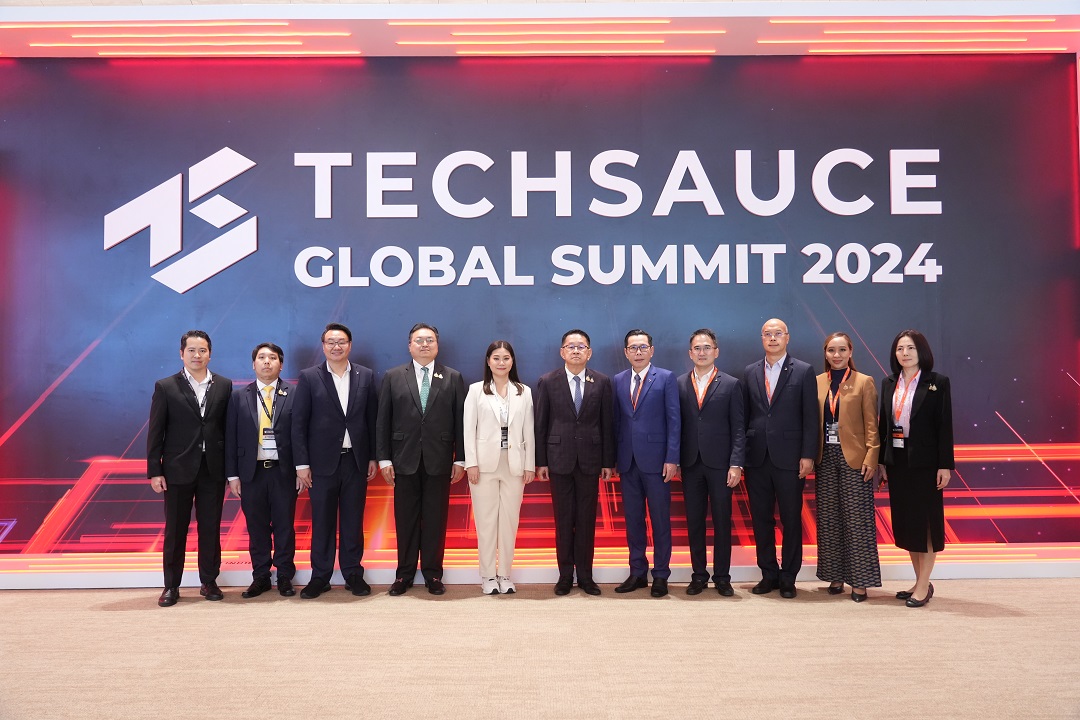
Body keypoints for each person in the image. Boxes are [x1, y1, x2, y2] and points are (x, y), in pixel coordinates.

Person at [377, 323, 466, 596]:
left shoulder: (453, 377)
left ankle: (433, 574)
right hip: (403, 460)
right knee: (405, 520)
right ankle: (403, 575)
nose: (424, 344)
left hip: (440, 460)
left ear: (437, 345)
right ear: (409, 346)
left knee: (435, 521)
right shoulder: (393, 376)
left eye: (429, 340)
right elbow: (383, 420)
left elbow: (461, 422)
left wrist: (461, 459)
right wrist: (383, 459)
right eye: (419, 340)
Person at [291, 323, 378, 599]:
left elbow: (372, 419)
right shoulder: (309, 377)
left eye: (341, 342)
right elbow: (298, 423)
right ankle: (320, 576)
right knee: (322, 522)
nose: (336, 346)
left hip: (356, 461)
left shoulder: (365, 375)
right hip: (321, 464)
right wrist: (302, 464)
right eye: (331, 342)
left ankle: (353, 574)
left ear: (350, 345)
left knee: (353, 521)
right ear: (323, 346)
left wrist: (373, 456)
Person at [147, 330, 232, 607]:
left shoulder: (223, 385)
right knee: (175, 530)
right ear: (181, 353)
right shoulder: (166, 386)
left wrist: (231, 469)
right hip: (177, 469)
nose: (197, 355)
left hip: (213, 469)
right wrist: (155, 470)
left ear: (210, 354)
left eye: (203, 350)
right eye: (192, 350)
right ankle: (171, 585)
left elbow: (228, 430)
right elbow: (156, 431)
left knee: (210, 528)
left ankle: (209, 581)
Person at [534, 329, 615, 596]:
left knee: (586, 520)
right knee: (563, 520)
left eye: (581, 346)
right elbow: (541, 423)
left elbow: (607, 423)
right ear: (562, 352)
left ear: (589, 352)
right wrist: (541, 461)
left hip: (591, 460)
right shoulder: (548, 381)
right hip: (558, 460)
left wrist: (607, 461)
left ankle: (586, 576)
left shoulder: (602, 381)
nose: (576, 350)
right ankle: (565, 576)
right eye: (571, 346)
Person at [877, 330, 954, 608]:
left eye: (910, 348)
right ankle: (919, 580)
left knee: (927, 524)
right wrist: (882, 461)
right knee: (909, 524)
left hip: (926, 463)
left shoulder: (937, 382)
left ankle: (923, 586)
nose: (905, 353)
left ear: (921, 351)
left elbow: (944, 426)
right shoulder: (888, 383)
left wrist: (945, 465)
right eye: (900, 348)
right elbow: (885, 425)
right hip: (898, 462)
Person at [742, 318, 818, 599]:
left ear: (787, 337)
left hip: (790, 458)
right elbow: (745, 415)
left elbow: (811, 417)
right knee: (761, 519)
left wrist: (808, 454)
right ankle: (768, 574)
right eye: (767, 334)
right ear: (761, 338)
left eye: (777, 333)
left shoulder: (803, 370)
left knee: (791, 519)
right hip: (757, 457)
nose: (772, 338)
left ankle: (788, 577)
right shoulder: (750, 371)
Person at [225, 342, 299, 598]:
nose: (267, 362)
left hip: (284, 471)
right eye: (262, 357)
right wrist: (233, 475)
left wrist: (302, 469)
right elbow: (231, 437)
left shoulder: (295, 393)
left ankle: (285, 576)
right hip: (251, 473)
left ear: (281, 364)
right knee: (256, 527)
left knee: (284, 526)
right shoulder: (239, 397)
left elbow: (302, 435)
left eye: (273, 358)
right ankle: (261, 576)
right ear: (253, 364)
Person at [463, 341, 536, 595]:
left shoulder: (523, 391)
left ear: (512, 361)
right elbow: (468, 430)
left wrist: (529, 464)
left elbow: (529, 430)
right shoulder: (476, 390)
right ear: (488, 361)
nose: (501, 362)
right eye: (496, 358)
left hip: (514, 464)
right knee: (485, 522)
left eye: (506, 358)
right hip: (483, 466)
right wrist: (471, 463)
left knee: (509, 522)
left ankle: (505, 574)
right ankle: (487, 576)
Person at [677, 328, 746, 597]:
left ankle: (722, 577)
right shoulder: (679, 383)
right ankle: (698, 575)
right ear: (690, 353)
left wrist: (736, 463)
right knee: (694, 522)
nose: (702, 352)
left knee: (721, 522)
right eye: (697, 348)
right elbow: (676, 426)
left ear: (716, 352)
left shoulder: (731, 384)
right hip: (690, 463)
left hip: (721, 465)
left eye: (707, 347)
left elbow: (738, 428)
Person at [612, 329, 681, 598]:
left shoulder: (665, 377)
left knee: (660, 520)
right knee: (633, 520)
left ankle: (661, 574)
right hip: (627, 462)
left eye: (643, 347)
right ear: (626, 352)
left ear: (651, 350)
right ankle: (638, 572)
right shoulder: (618, 380)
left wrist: (672, 458)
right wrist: (614, 459)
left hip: (657, 462)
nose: (638, 352)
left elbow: (674, 420)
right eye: (633, 348)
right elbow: (616, 422)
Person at [814, 332, 881, 603]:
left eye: (842, 350)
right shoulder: (817, 382)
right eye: (832, 350)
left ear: (850, 352)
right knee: (829, 519)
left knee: (857, 520)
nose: (837, 355)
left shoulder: (864, 381)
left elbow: (872, 424)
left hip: (855, 458)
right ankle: (835, 576)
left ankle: (860, 582)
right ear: (825, 353)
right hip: (825, 457)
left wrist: (872, 457)